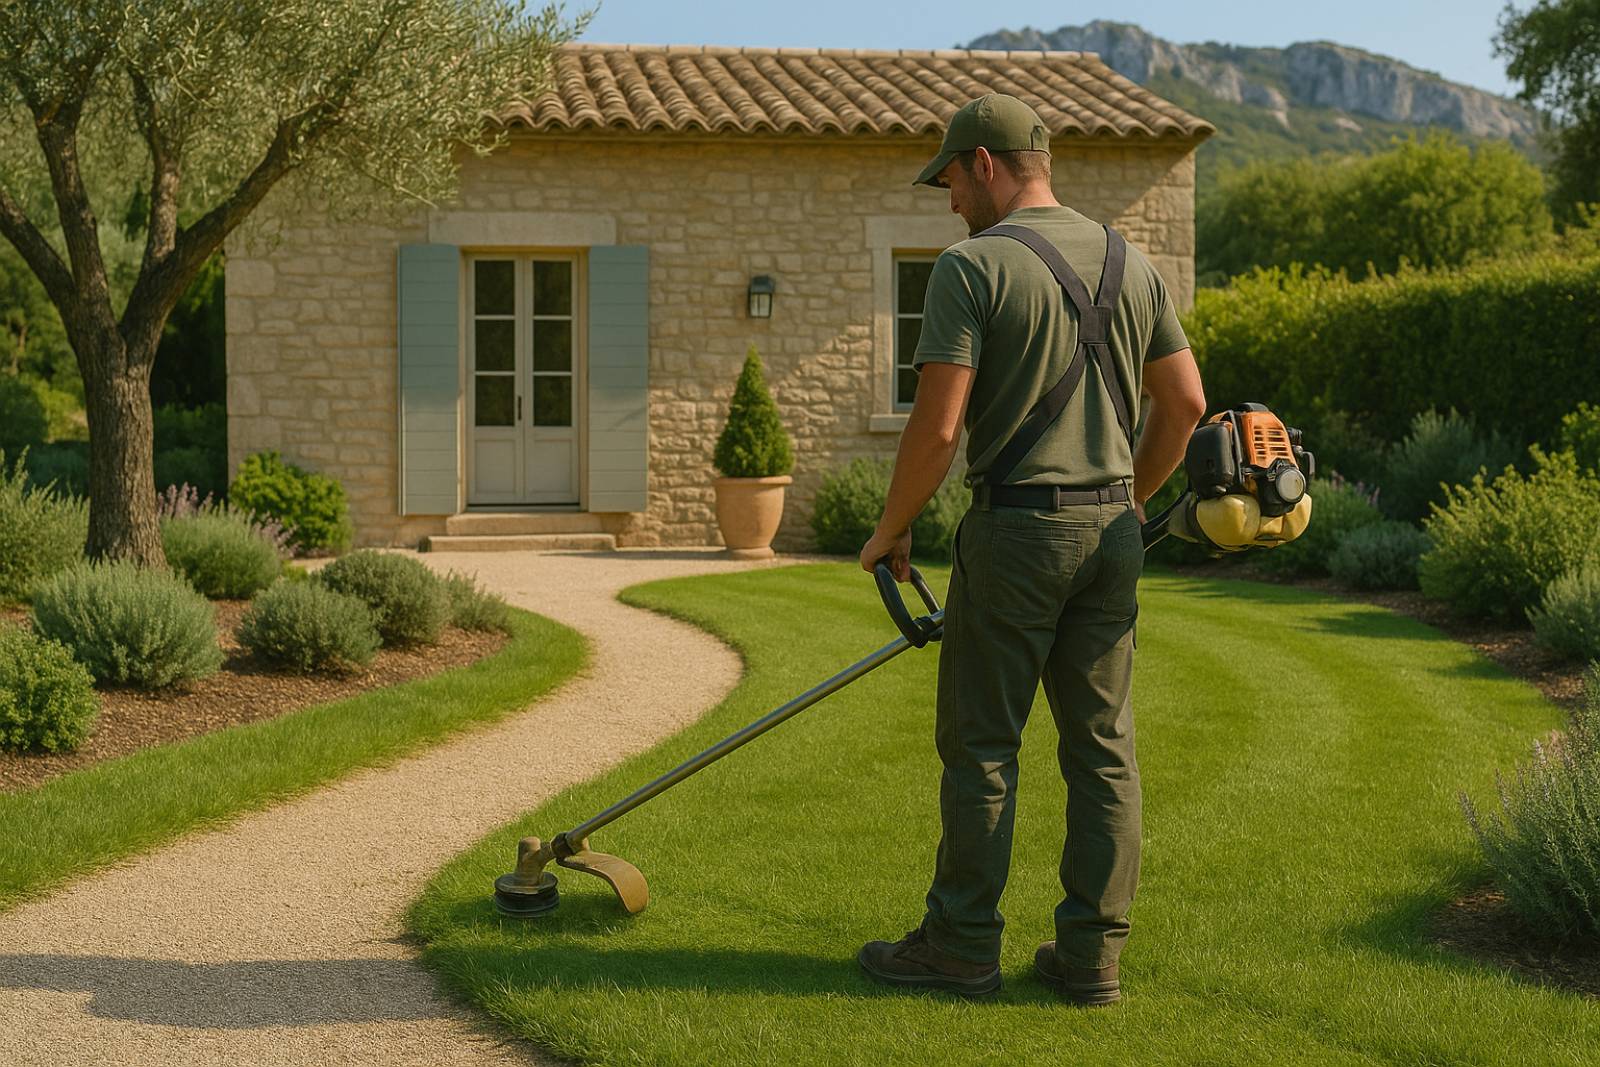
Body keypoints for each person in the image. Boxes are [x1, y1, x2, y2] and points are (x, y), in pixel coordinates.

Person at [855, 93, 1207, 1005]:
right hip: (1113, 533)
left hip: (1017, 531)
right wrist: (1129, 497)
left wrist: (890, 530)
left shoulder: (970, 269)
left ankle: (962, 945)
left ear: (985, 163)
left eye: (949, 179)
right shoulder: (1134, 262)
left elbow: (936, 431)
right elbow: (1187, 406)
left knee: (981, 746)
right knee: (1103, 749)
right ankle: (1092, 958)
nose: (947, 200)